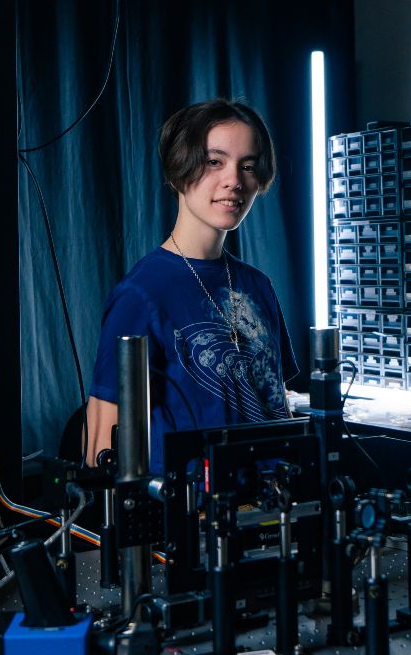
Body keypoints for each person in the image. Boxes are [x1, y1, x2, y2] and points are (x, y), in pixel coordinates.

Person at [85, 99, 297, 475]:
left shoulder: (258, 285)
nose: (234, 180)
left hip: (269, 500)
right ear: (178, 170)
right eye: (214, 161)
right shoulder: (142, 294)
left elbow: (275, 404)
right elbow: (100, 447)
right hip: (189, 504)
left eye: (248, 165)